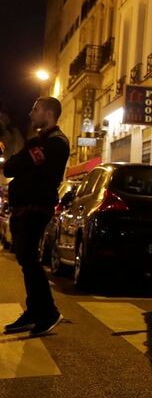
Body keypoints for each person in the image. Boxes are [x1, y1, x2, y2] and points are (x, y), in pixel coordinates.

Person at [2, 97, 70, 337]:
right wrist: (22, 158)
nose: (31, 114)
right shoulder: (38, 142)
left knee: (29, 259)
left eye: (36, 109)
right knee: (24, 258)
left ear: (49, 113)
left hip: (36, 208)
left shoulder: (56, 143)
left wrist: (22, 159)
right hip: (24, 208)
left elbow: (15, 166)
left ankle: (48, 312)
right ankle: (34, 311)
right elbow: (11, 166)